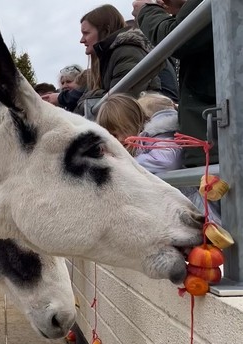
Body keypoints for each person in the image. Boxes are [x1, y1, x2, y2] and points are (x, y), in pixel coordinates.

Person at [96, 92, 220, 223]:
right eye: (112, 137)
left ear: (134, 121)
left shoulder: (157, 134)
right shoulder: (138, 146)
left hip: (195, 207)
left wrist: (122, 164)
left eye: (120, 132)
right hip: (174, 211)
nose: (119, 140)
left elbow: (167, 161)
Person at [132, 0, 217, 167]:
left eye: (86, 32)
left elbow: (176, 38)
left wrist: (146, 11)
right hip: (215, 136)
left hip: (220, 140)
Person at [71, 4, 170, 117]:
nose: (81, 40)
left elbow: (121, 100)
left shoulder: (127, 52)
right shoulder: (107, 59)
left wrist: (91, 96)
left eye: (86, 33)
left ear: (105, 31)